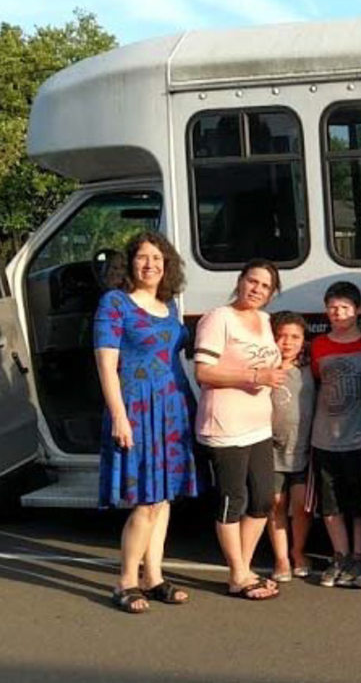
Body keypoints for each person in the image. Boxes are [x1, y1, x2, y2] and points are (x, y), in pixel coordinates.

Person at [94, 231, 197, 613]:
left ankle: (154, 577)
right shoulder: (115, 303)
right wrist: (119, 417)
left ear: (166, 265)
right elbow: (106, 366)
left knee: (164, 498)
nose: (150, 264)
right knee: (146, 501)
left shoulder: (169, 306)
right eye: (143, 258)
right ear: (129, 263)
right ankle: (125, 581)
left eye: (158, 258)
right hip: (137, 409)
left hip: (171, 408)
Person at [194, 259, 285, 600]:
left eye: (265, 286)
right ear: (240, 280)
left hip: (258, 424)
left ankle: (243, 569)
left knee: (263, 499)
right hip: (225, 425)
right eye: (253, 281)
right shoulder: (219, 318)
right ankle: (238, 575)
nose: (257, 289)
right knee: (234, 500)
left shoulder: (264, 320)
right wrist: (254, 377)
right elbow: (203, 372)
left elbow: (268, 362)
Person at [310, 281, 361, 589]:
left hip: (360, 437)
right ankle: (341, 555)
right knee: (331, 503)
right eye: (333, 308)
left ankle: (360, 556)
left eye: (345, 308)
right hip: (325, 437)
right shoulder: (319, 345)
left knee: (358, 503)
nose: (338, 314)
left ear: (359, 310)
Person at [266, 311, 314, 582]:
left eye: (295, 336)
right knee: (276, 505)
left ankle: (298, 551)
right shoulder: (266, 369)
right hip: (272, 449)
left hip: (303, 449)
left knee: (301, 506)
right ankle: (281, 558)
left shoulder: (309, 368)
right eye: (281, 336)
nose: (287, 342)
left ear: (304, 340)